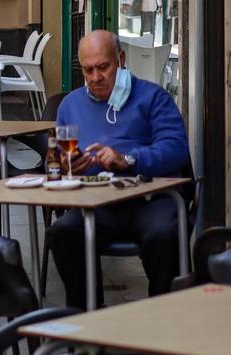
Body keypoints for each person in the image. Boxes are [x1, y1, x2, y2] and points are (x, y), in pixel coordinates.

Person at [46, 30, 190, 309]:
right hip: (97, 202)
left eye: (103, 67)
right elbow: (53, 160)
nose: (95, 77)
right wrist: (66, 166)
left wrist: (128, 159)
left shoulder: (152, 97)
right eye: (88, 70)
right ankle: (89, 326)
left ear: (121, 60)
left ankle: (164, 324)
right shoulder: (70, 105)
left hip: (150, 199)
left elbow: (176, 149)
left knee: (164, 235)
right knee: (63, 233)